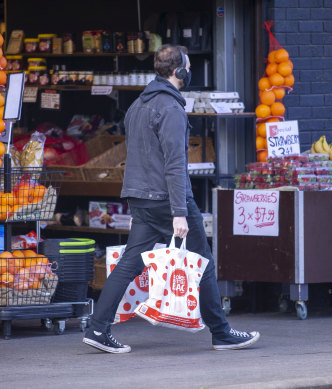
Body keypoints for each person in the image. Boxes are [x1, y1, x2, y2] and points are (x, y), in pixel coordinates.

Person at [83, 45, 260, 353]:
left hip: (141, 197)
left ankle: (97, 329)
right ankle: (221, 333)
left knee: (129, 264)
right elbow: (175, 164)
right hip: (168, 200)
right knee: (202, 262)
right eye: (188, 67)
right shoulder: (171, 108)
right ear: (179, 72)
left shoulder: (138, 104)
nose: (189, 72)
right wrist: (179, 212)